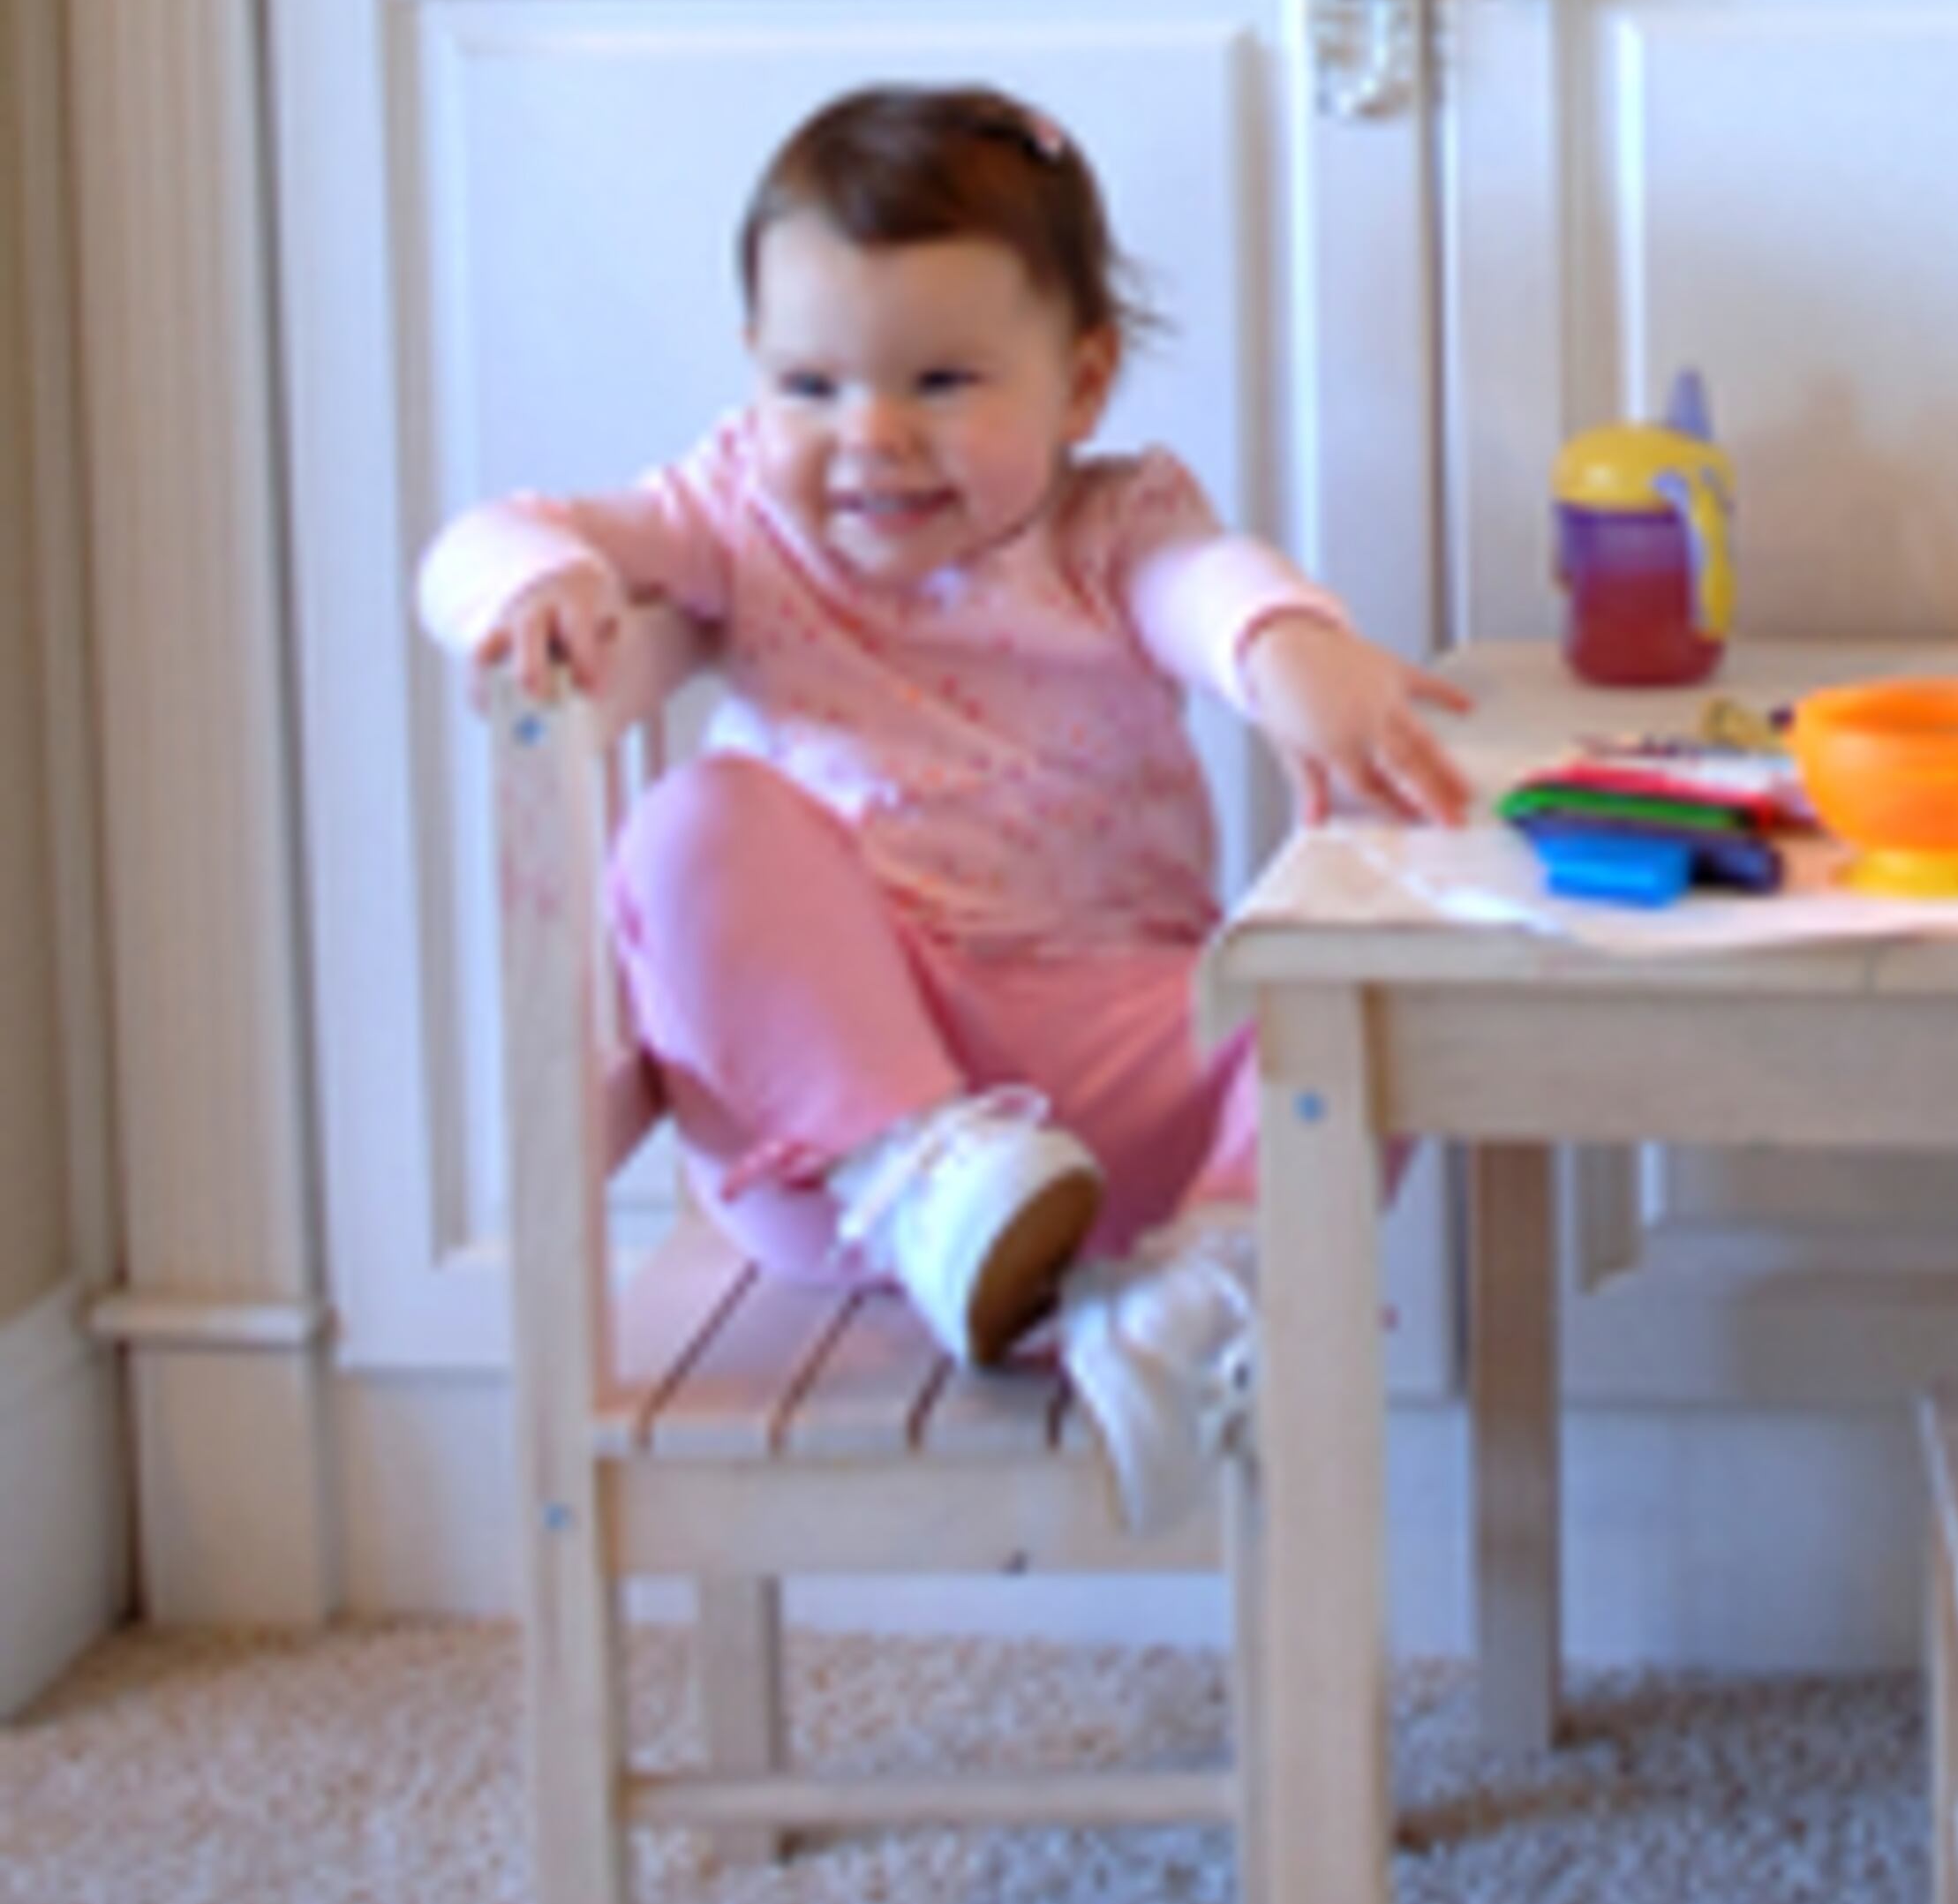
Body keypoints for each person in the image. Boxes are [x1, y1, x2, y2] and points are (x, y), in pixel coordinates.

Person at [415, 87, 1471, 1527]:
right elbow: (484, 533)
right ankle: (939, 1177)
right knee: (697, 819)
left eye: (941, 382)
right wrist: (533, 582)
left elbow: (1203, 583)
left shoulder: (1114, 524)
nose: (871, 437)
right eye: (812, 384)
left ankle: (1213, 1284)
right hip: (829, 1144)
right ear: (753, 376)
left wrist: (1289, 647)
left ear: (1081, 383)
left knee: (1368, 958)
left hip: (1112, 1110)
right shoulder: (740, 511)